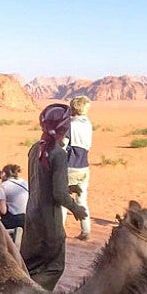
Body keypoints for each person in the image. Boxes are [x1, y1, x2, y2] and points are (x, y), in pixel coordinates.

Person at [20, 103, 87, 291]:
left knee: (30, 265)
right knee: (53, 266)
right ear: (64, 127)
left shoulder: (35, 149)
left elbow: (40, 182)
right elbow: (57, 194)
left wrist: (68, 186)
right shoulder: (58, 154)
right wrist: (76, 208)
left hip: (32, 216)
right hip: (49, 221)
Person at [64, 95, 93, 241]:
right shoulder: (87, 123)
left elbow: (63, 145)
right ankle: (86, 231)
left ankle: (60, 231)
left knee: (63, 200)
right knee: (82, 201)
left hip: (71, 166)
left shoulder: (70, 124)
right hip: (84, 166)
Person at [0, 164, 28, 230]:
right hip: (28, 219)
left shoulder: (3, 186)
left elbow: (3, 211)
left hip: (15, 220)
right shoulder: (24, 182)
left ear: (4, 174)